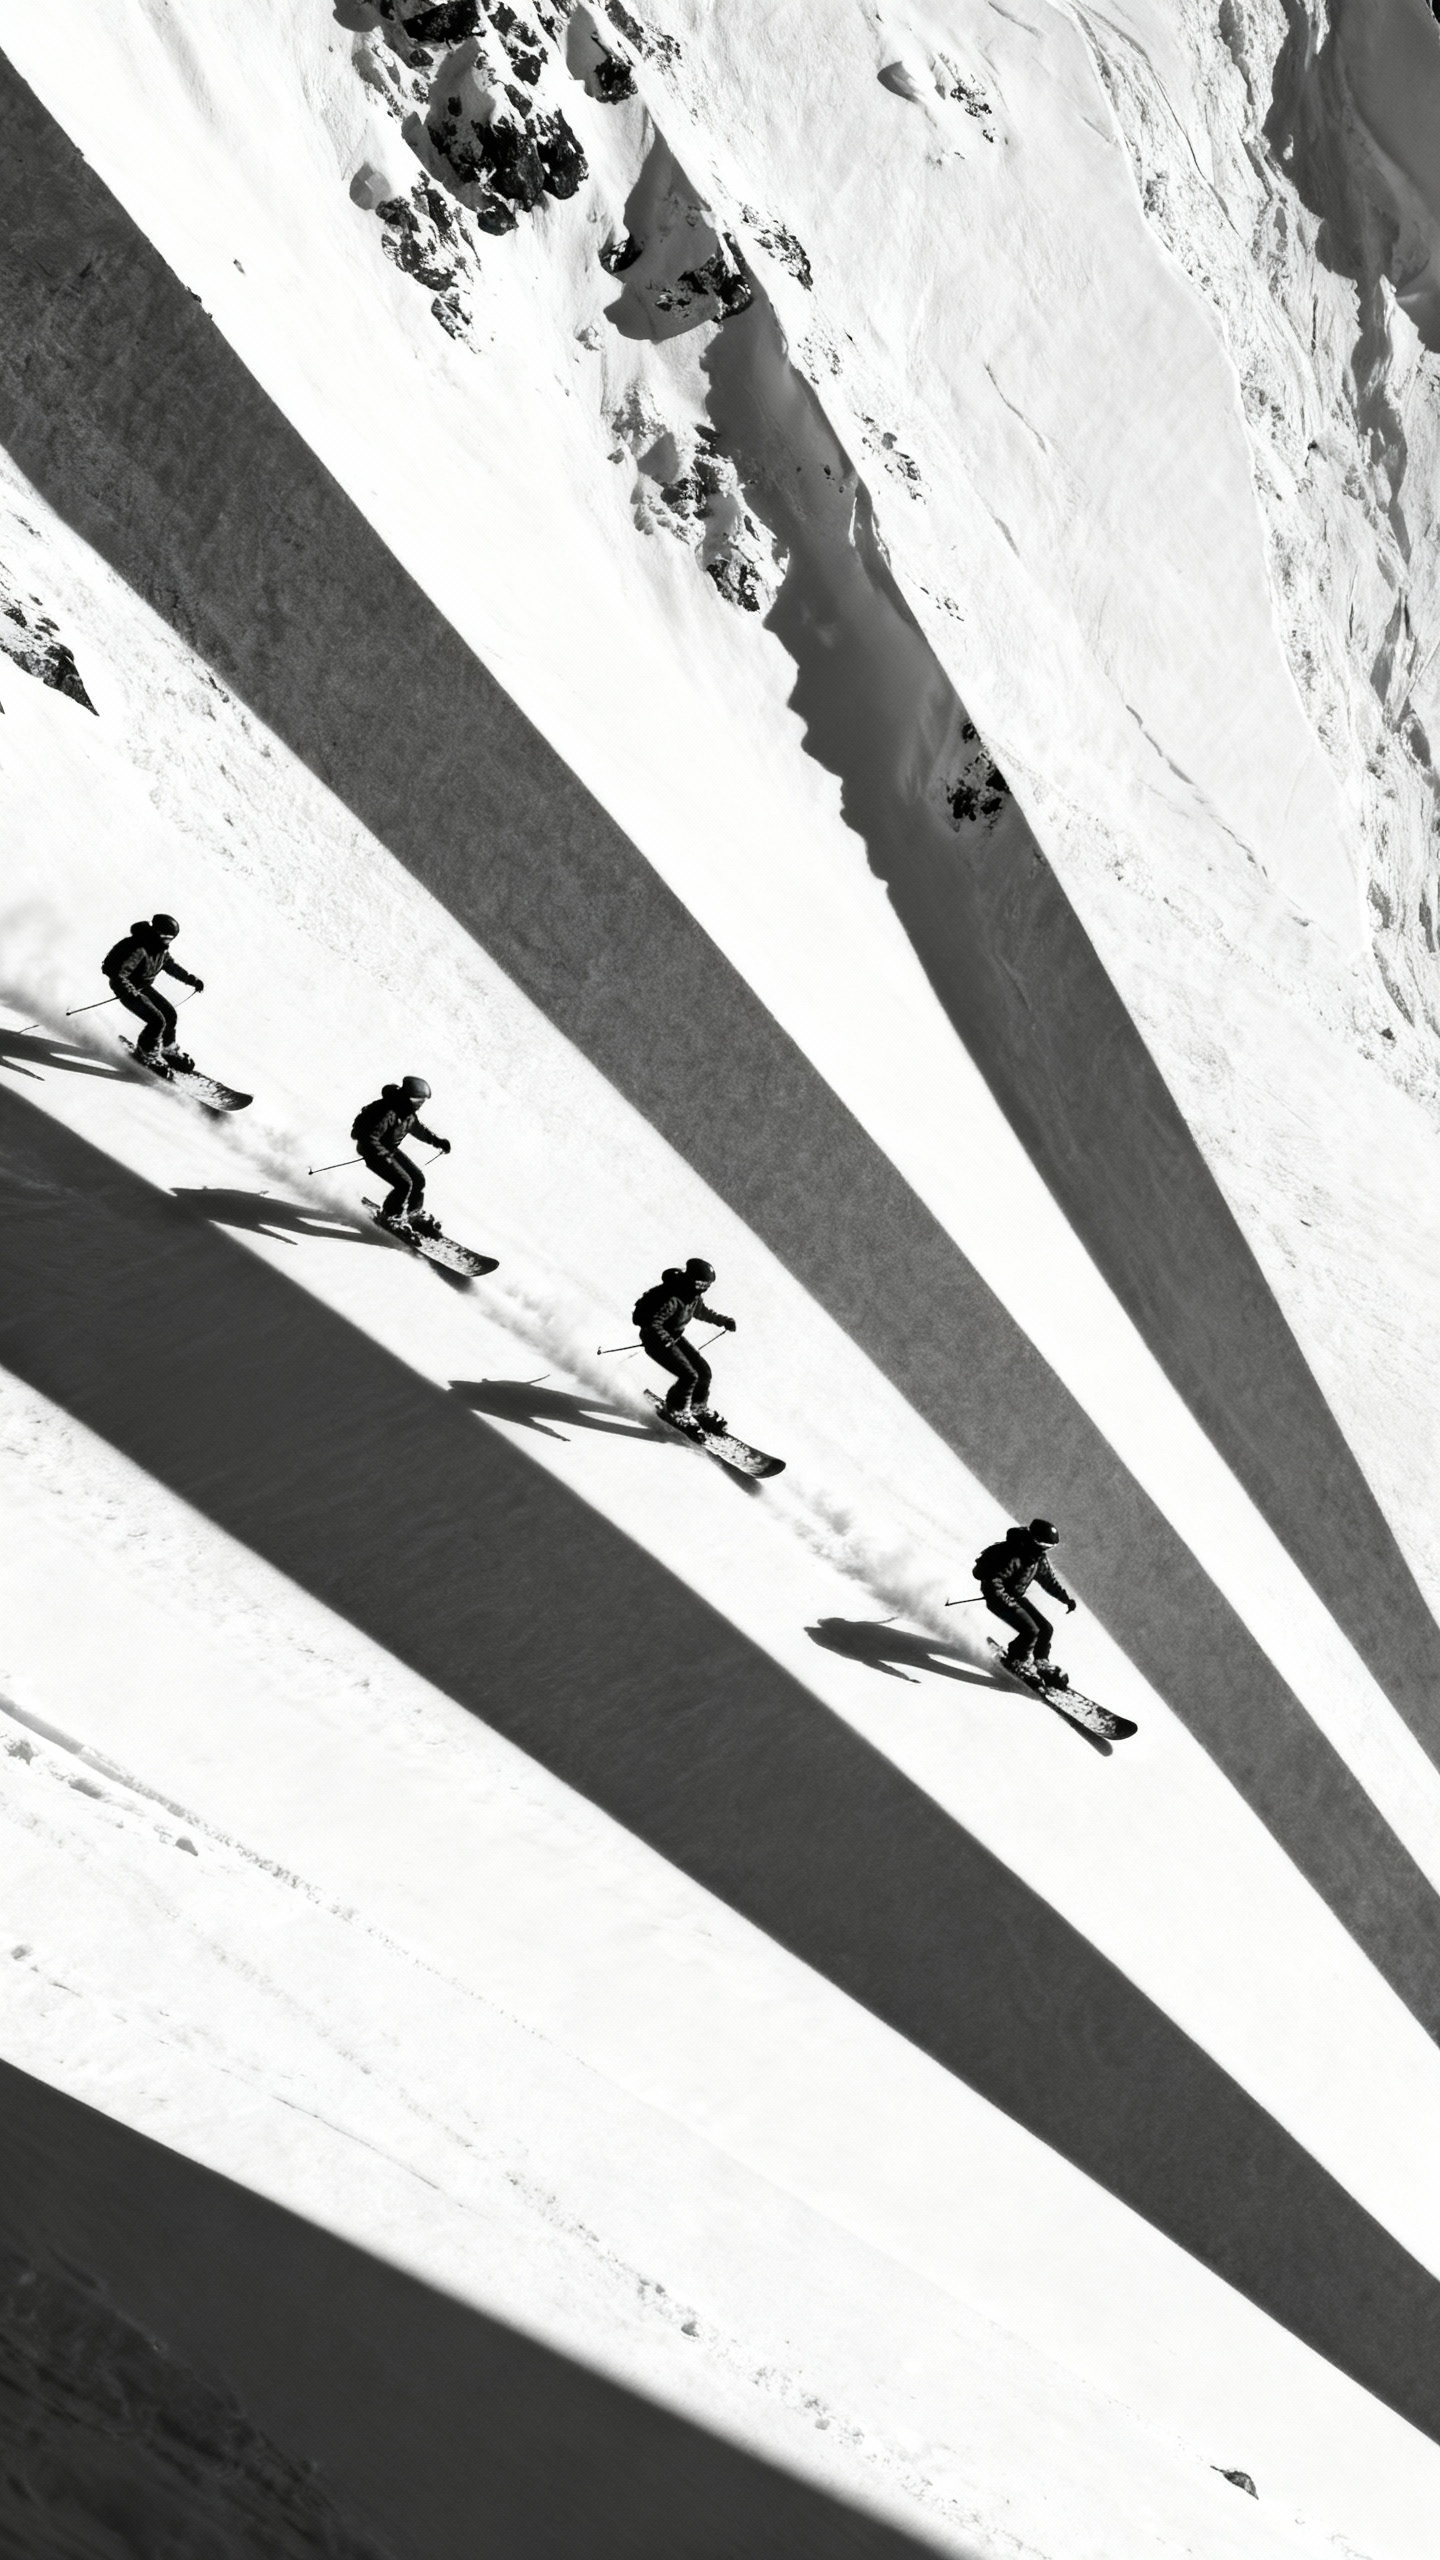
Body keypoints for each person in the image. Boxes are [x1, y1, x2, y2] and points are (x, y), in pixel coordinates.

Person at [633, 1258, 736, 1430]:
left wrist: (723, 1321)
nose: (705, 1288)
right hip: (655, 1341)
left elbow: (701, 1311)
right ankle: (676, 1410)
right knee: (689, 1376)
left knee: (704, 1372)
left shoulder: (691, 1295)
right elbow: (653, 1323)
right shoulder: (672, 1297)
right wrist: (664, 1340)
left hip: (673, 1338)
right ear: (693, 1280)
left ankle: (697, 1408)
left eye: (707, 1285)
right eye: (703, 1284)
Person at [974, 1517, 1077, 1687]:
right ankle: (1016, 1660)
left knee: (1046, 1629)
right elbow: (994, 1581)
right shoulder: (1014, 1555)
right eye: (1046, 1546)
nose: (1047, 1550)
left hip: (1014, 1597)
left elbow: (1049, 1581)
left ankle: (1041, 1661)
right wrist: (1005, 1600)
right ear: (1037, 1541)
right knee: (1030, 1631)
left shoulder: (1037, 1558)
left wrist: (1065, 1599)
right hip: (998, 1599)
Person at [102, 913, 204, 1074]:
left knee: (170, 1015)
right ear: (158, 933)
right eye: (167, 937)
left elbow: (171, 966)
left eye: (171, 938)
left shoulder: (159, 949)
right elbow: (119, 974)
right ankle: (145, 1054)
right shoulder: (139, 948)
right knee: (157, 1021)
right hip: (127, 989)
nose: (169, 941)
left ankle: (168, 1050)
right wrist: (130, 991)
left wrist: (191, 980)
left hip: (143, 987)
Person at [351, 1076, 451, 1235]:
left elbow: (418, 1129)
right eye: (419, 1101)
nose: (421, 1104)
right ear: (411, 1098)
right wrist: (382, 1155)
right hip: (373, 1152)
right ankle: (390, 1216)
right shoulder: (388, 1112)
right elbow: (369, 1138)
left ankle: (413, 1214)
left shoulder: (407, 1113)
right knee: (404, 1183)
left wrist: (437, 1141)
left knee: (418, 1179)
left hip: (388, 1150)